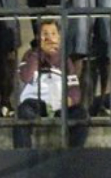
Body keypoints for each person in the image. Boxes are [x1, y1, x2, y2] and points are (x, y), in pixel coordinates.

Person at [15, 19, 89, 147]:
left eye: (53, 34)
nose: (50, 38)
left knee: (81, 115)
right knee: (22, 112)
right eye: (45, 34)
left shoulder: (65, 59)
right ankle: (23, 154)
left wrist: (70, 100)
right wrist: (39, 53)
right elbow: (25, 77)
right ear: (39, 37)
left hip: (60, 103)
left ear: (59, 38)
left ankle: (73, 156)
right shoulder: (30, 55)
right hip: (36, 102)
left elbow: (74, 89)